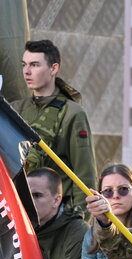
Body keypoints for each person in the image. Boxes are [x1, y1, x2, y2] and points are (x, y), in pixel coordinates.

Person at [11, 40, 96, 210]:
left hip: (56, 213)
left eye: (35, 65)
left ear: (53, 68)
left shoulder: (72, 113)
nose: (27, 71)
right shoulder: (15, 109)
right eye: (24, 65)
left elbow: (85, 173)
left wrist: (79, 217)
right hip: (18, 209)